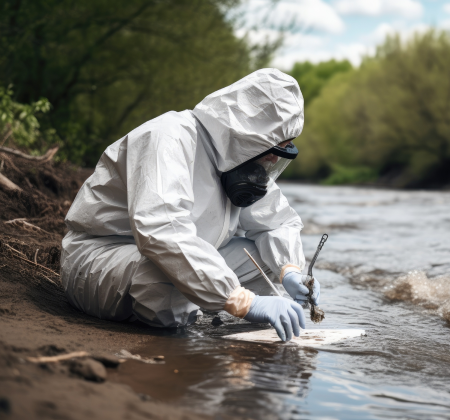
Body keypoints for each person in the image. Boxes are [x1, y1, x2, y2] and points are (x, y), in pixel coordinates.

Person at [60, 69, 320, 342]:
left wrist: (291, 270)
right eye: (275, 149)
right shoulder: (167, 138)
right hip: (99, 260)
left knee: (268, 261)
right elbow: (162, 232)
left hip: (152, 259)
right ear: (253, 136)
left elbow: (277, 222)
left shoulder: (237, 158)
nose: (273, 161)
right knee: (170, 282)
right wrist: (244, 302)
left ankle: (204, 306)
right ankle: (193, 316)